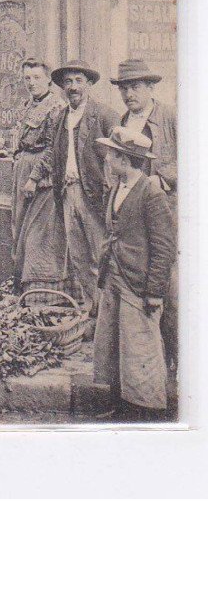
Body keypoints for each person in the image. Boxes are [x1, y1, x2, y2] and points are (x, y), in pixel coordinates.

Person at [93, 127, 176, 421]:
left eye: (111, 155)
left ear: (125, 160)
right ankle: (120, 405)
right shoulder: (118, 186)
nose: (107, 159)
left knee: (140, 346)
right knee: (113, 341)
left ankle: (145, 411)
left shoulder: (151, 193)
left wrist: (154, 292)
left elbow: (164, 247)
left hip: (137, 283)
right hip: (114, 276)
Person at [33, 60, 119, 315]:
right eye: (68, 82)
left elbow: (117, 159)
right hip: (67, 193)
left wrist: (111, 192)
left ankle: (110, 313)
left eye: (79, 81)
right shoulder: (60, 117)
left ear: (89, 84)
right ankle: (93, 308)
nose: (73, 87)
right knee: (80, 256)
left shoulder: (104, 115)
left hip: (94, 195)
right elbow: (53, 153)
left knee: (101, 255)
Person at [111, 58, 178, 368]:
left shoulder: (170, 118)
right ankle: (146, 363)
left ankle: (175, 360)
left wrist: (163, 179)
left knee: (167, 287)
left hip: (165, 212)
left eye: (135, 87)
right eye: (124, 88)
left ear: (151, 87)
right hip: (132, 221)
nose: (129, 94)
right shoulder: (123, 121)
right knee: (137, 290)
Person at [12, 57, 68, 299]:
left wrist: (34, 177)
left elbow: (53, 148)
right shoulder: (28, 105)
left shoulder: (56, 106)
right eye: (27, 78)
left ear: (48, 80)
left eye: (36, 78)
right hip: (23, 169)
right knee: (20, 228)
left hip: (42, 177)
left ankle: (43, 294)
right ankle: (22, 291)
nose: (31, 83)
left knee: (38, 233)